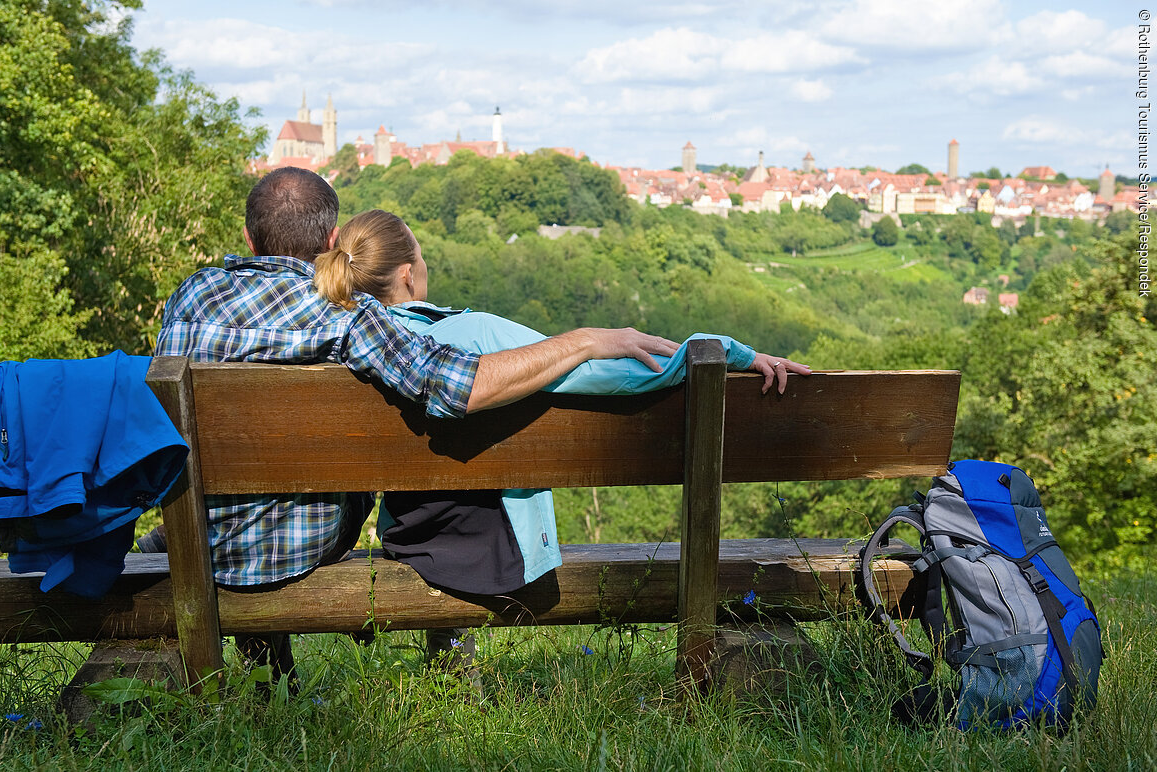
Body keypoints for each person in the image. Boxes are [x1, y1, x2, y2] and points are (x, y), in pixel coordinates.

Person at [150, 167, 686, 684]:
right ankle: (385, 671)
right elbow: (458, 386)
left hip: (200, 537)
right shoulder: (345, 312)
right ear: (332, 238)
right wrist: (585, 340)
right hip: (299, 546)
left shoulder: (188, 298)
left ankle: (263, 676)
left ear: (248, 237)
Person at [309, 208, 809, 599]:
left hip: (407, 537)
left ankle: (450, 681)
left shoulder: (340, 343)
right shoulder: (478, 334)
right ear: (406, 276)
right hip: (488, 549)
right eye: (421, 257)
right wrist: (732, 352)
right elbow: (626, 378)